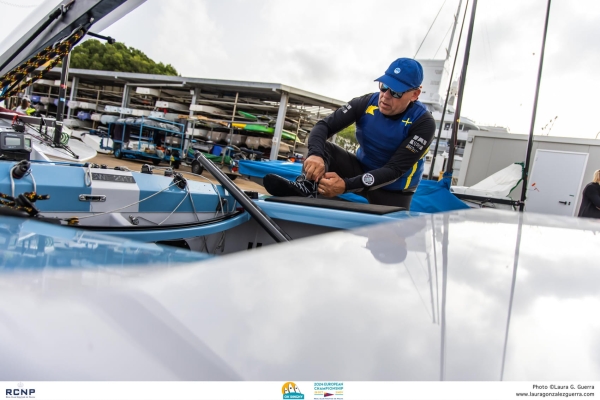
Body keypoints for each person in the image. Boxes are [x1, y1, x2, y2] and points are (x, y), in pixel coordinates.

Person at [264, 57, 436, 209]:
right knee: (324, 148)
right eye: (384, 86)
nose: (385, 96)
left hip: (394, 189)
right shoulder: (365, 102)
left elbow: (394, 170)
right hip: (359, 169)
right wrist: (315, 154)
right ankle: (306, 187)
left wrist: (345, 186)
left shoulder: (423, 123)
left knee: (389, 236)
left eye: (396, 92)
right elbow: (323, 126)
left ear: (415, 94)